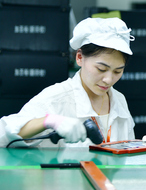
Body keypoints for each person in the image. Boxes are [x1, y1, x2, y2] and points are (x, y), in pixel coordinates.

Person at [0, 17, 135, 147]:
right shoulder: (56, 99)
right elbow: (3, 135)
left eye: (118, 71)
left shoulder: (119, 100)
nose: (109, 80)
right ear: (80, 57)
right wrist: (49, 121)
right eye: (101, 69)